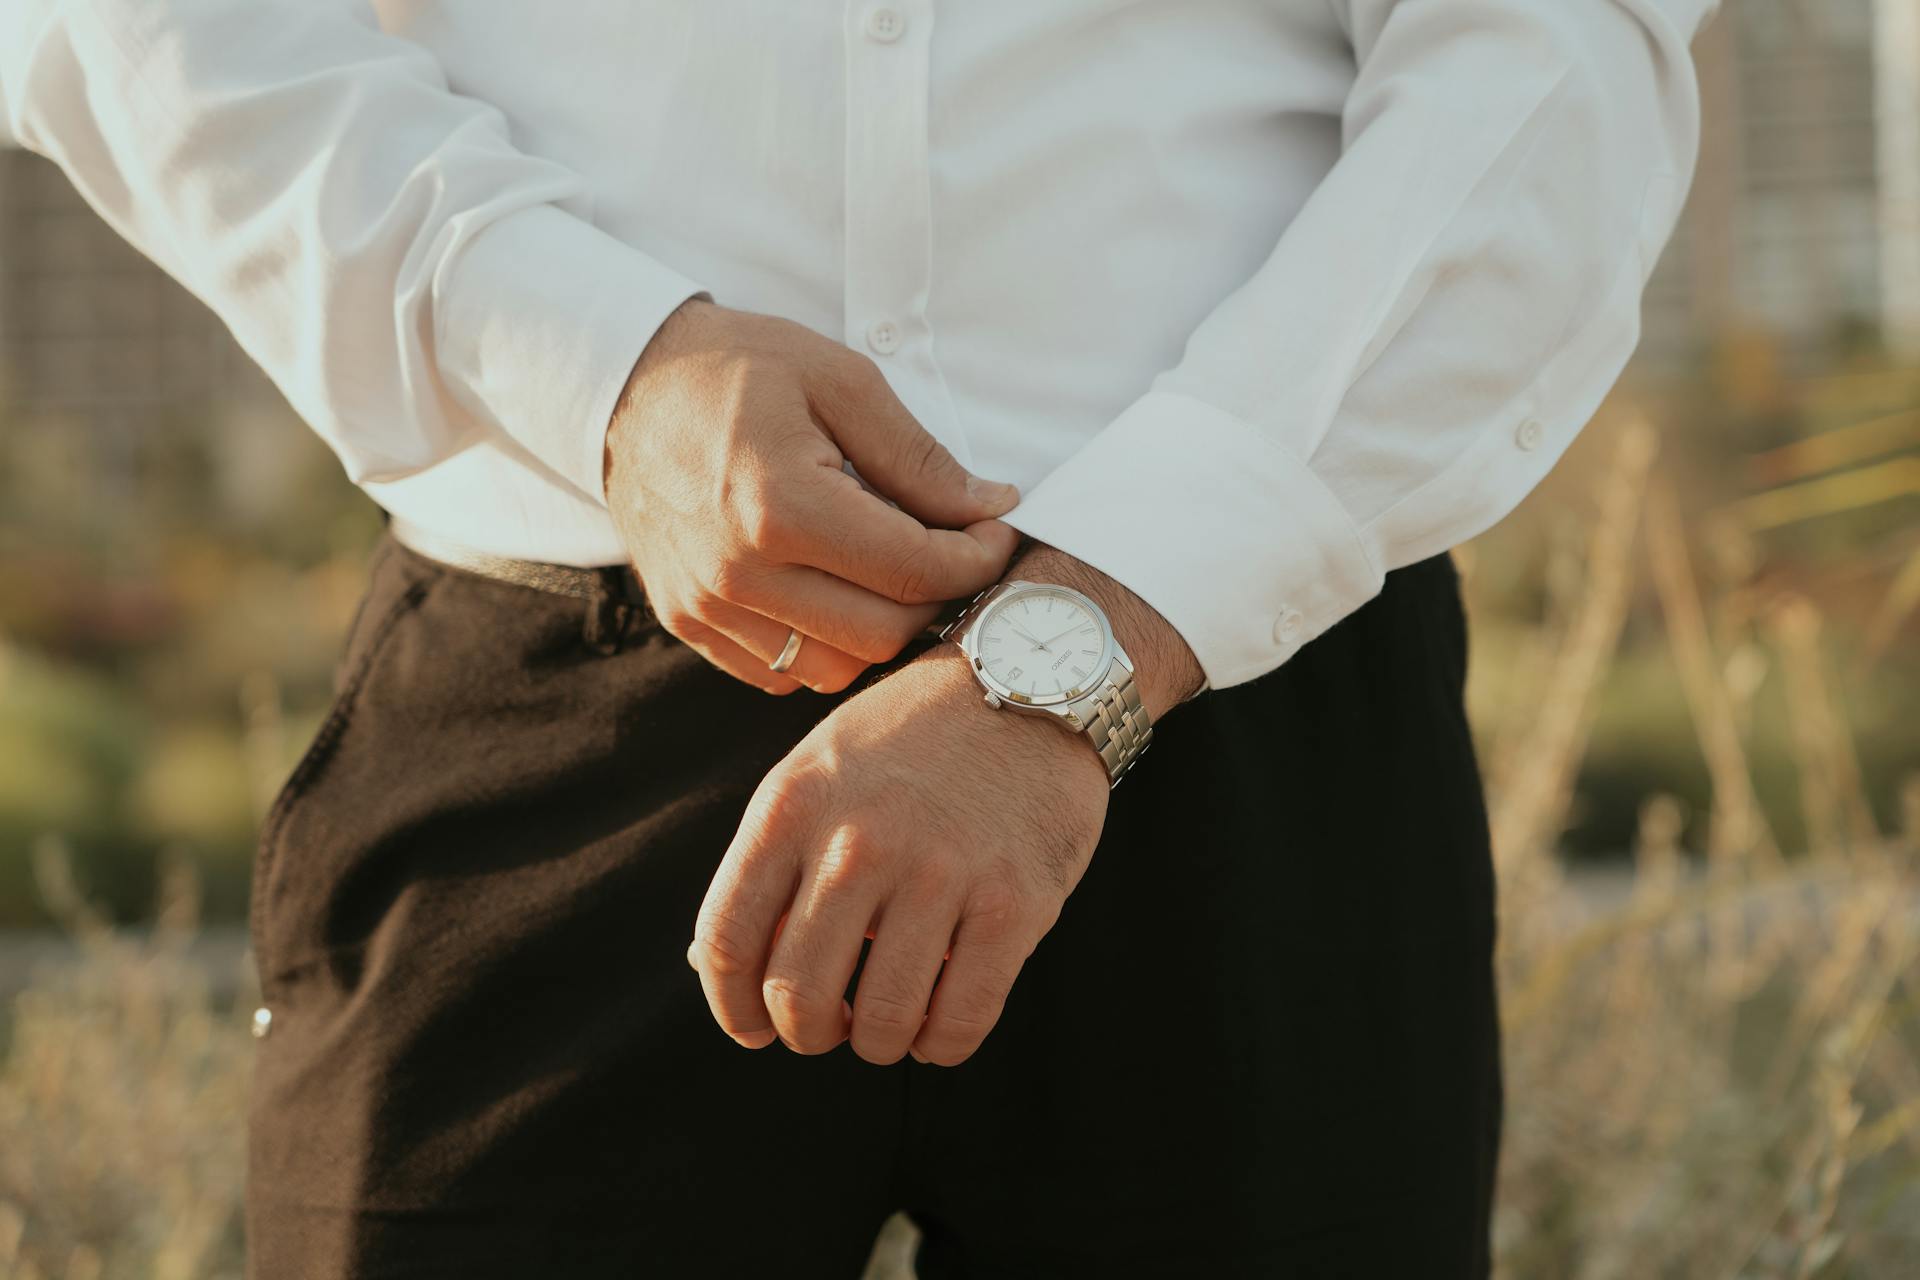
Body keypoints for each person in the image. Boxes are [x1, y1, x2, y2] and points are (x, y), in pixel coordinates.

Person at [0, 0, 1714, 1274]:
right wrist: (603, 359)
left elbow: (1555, 52)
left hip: (1240, 711)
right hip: (555, 714)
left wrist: (1099, 631)